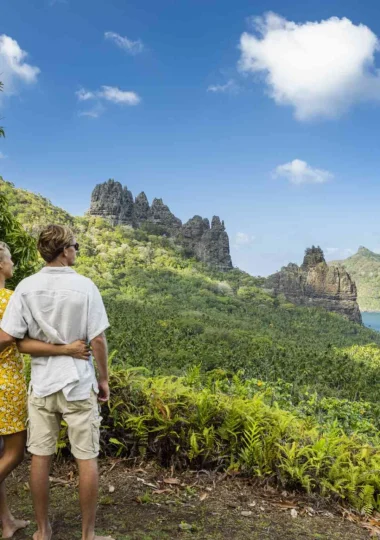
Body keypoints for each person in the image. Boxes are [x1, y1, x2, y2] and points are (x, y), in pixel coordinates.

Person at [0, 225, 114, 540]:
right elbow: (98, 340)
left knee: (40, 457)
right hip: (78, 383)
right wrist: (103, 379)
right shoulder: (85, 287)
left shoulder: (25, 287)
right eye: (74, 246)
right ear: (64, 251)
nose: (76, 250)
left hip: (42, 384)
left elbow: (15, 341)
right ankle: (87, 535)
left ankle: (42, 531)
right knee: (86, 458)